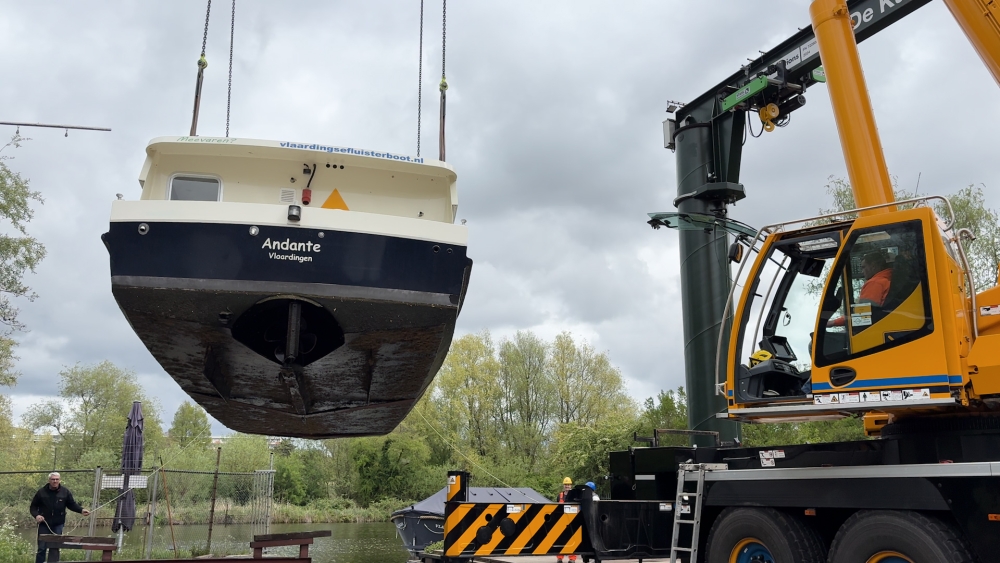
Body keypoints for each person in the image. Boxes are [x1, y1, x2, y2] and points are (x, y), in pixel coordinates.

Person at [30, 472, 90, 563]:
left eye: (57, 479)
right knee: (42, 548)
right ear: (49, 480)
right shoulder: (41, 492)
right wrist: (37, 515)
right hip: (44, 524)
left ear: (59, 480)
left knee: (55, 547)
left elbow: (72, 504)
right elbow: (33, 507)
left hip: (58, 524)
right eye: (53, 479)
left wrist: (81, 510)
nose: (55, 481)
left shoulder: (65, 492)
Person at [828, 252, 893, 327]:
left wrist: (833, 323)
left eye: (863, 267)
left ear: (873, 266)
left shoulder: (875, 283)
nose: (862, 271)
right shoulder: (886, 279)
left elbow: (862, 316)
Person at [556, 477, 577, 563]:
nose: (567, 486)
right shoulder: (559, 496)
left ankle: (572, 559)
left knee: (572, 540)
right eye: (565, 485)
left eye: (568, 484)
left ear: (570, 485)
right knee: (560, 539)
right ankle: (559, 558)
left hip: (572, 521)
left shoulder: (574, 495)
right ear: (563, 485)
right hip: (561, 521)